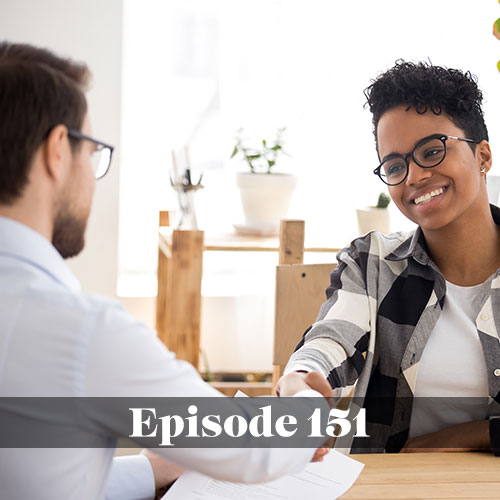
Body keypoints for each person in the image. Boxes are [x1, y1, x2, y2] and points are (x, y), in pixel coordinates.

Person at [0, 41, 332, 500]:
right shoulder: (80, 332)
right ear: (58, 150)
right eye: (92, 152)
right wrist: (304, 397)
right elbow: (254, 450)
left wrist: (147, 471)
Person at [280, 60, 500, 454]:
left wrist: (463, 438)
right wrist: (302, 377)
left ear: (482, 156)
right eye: (396, 165)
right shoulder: (372, 263)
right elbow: (332, 340)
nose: (414, 177)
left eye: (431, 151)